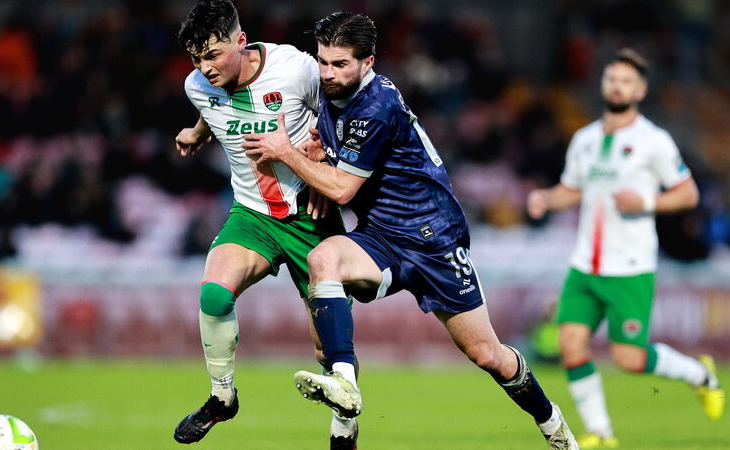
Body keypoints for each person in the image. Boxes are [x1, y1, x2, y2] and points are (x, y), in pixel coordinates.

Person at [243, 12, 579, 449]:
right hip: (381, 236)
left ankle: (553, 425)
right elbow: (341, 151)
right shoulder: (333, 92)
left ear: (368, 62)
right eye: (323, 61)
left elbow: (342, 189)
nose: (327, 73)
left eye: (340, 64)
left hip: (432, 239)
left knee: (487, 355)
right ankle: (344, 386)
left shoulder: (376, 105)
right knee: (323, 259)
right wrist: (321, 151)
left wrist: (288, 153)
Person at [171, 0, 350, 444]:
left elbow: (343, 111)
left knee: (328, 349)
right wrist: (197, 132)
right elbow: (213, 108)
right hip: (252, 214)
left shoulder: (294, 69)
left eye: (213, 55)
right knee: (214, 294)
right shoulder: (197, 86)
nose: (205, 68)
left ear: (241, 41)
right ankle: (222, 397)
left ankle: (344, 430)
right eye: (196, 59)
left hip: (310, 216)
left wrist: (325, 159)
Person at [526, 48, 725, 448]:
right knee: (570, 343)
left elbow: (687, 193)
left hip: (630, 266)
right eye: (612, 78)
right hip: (585, 264)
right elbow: (573, 189)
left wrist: (646, 202)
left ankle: (700, 374)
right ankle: (602, 432)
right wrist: (547, 198)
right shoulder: (585, 139)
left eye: (627, 81)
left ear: (641, 90)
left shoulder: (654, 141)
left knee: (629, 358)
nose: (617, 86)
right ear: (604, 84)